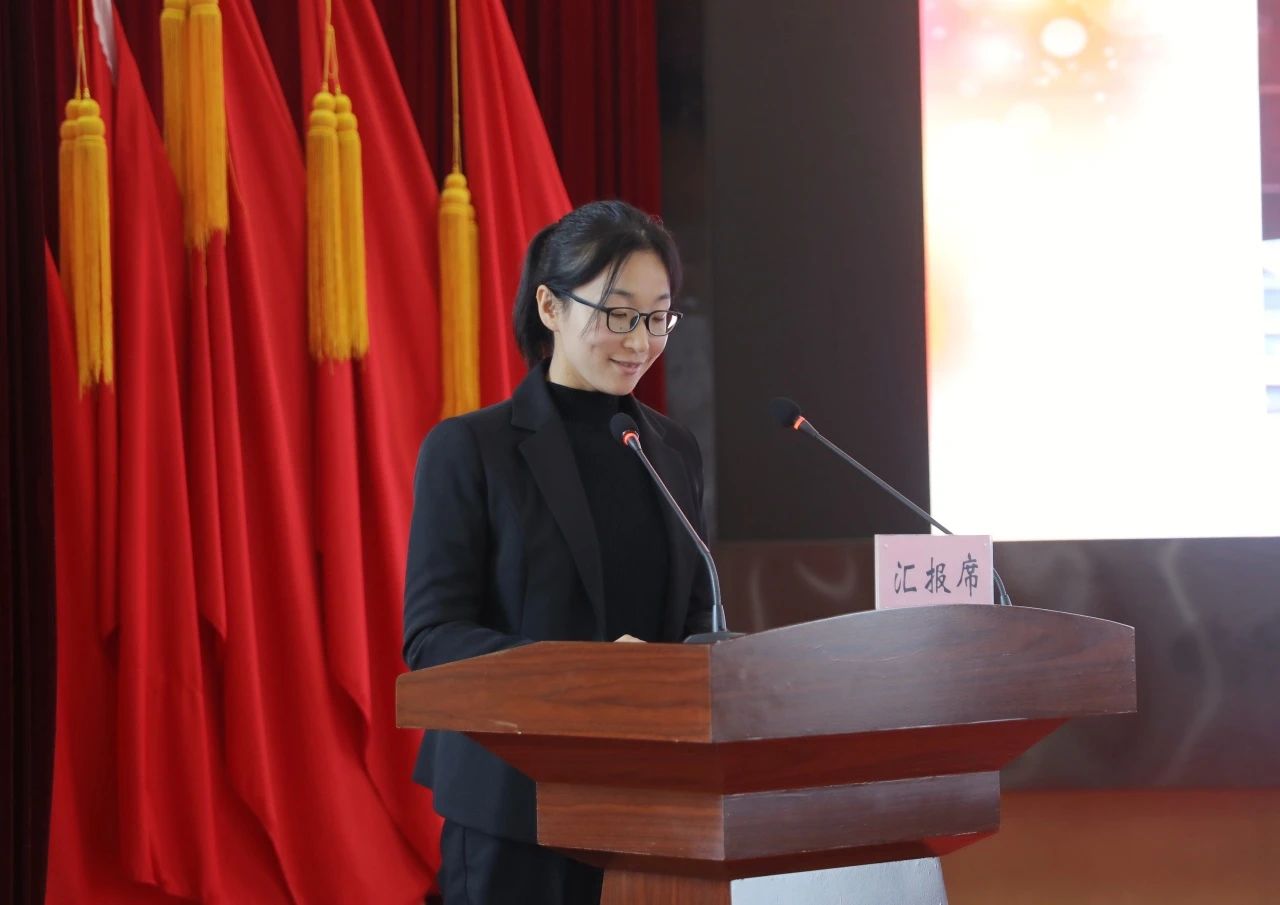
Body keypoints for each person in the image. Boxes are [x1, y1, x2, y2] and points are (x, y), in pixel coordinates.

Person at [402, 200, 714, 905]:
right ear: (550, 306)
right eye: (618, 314)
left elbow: (697, 617)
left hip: (654, 804)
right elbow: (433, 639)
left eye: (658, 317)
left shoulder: (671, 450)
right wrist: (592, 672)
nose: (640, 341)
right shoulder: (470, 449)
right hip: (515, 806)